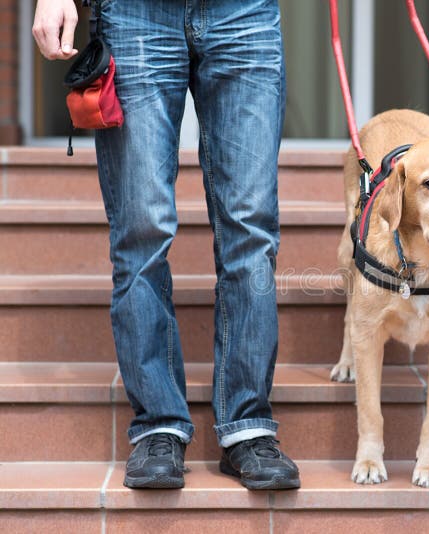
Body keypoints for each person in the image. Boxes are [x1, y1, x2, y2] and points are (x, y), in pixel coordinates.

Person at [32, 0, 299, 490]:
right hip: (135, 14)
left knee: (251, 229)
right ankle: (158, 424)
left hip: (245, 13)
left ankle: (248, 427)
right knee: (141, 229)